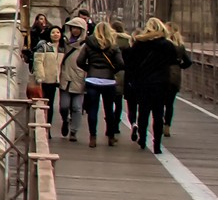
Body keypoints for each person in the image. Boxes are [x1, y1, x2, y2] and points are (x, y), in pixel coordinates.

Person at [124, 17, 188, 153]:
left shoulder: (139, 43)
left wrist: (134, 80)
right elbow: (173, 62)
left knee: (143, 112)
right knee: (158, 114)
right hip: (161, 83)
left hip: (143, 83)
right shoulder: (167, 45)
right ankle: (157, 144)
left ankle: (142, 138)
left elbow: (130, 63)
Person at [78, 21, 125, 147]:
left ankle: (93, 137)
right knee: (109, 109)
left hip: (92, 80)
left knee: (93, 109)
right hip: (108, 81)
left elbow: (79, 61)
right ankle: (110, 136)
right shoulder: (114, 46)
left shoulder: (89, 44)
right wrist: (111, 70)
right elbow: (121, 64)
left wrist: (90, 69)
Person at [55, 17, 88, 141]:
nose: (75, 31)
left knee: (77, 107)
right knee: (64, 106)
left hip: (79, 77)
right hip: (65, 76)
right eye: (73, 28)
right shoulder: (64, 42)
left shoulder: (86, 44)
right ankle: (65, 120)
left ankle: (74, 131)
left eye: (78, 28)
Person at [162, 22, 192, 136]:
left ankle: (159, 124)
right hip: (175, 76)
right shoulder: (180, 46)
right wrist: (179, 66)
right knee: (169, 104)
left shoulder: (163, 44)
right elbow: (188, 62)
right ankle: (167, 126)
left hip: (163, 73)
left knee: (159, 102)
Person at [32, 21, 62, 124]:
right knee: (43, 103)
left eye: (58, 32)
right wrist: (40, 76)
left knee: (51, 105)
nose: (56, 34)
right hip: (45, 80)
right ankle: (41, 124)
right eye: (53, 32)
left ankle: (48, 125)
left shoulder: (62, 48)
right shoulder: (44, 46)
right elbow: (38, 61)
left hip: (56, 80)